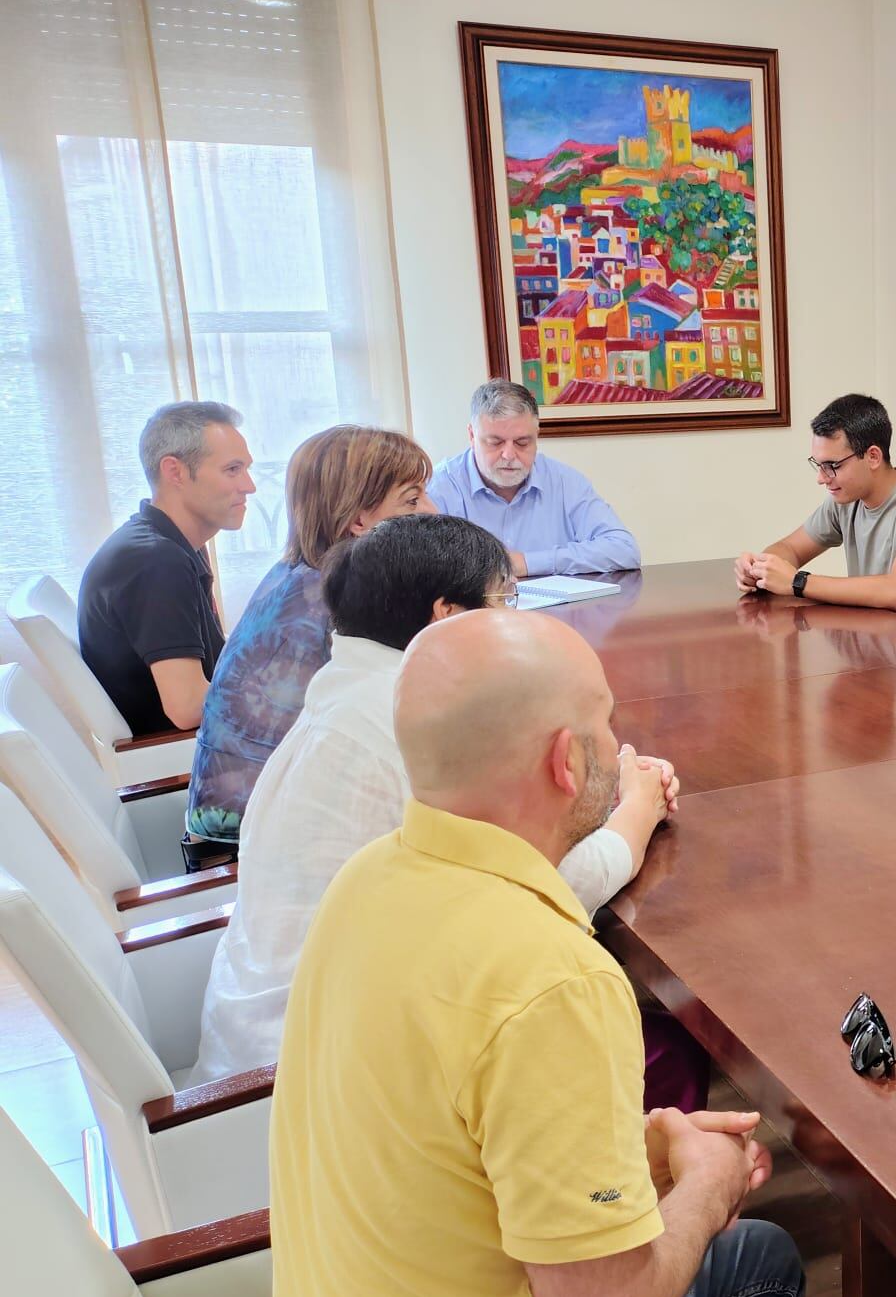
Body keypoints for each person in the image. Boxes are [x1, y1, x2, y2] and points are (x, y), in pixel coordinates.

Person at [269, 606, 896, 1297]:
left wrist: (631, 1147)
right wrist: (706, 1186)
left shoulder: (367, 884)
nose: (619, 743)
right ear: (566, 761)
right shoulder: (550, 976)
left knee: (763, 1267)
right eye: (605, 722)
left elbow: (452, 1135)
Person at [187, 513, 685, 1094]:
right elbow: (545, 891)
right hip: (322, 1073)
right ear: (447, 616)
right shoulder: (415, 727)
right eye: (506, 600)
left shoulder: (348, 695)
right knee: (660, 1047)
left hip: (269, 1039)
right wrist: (636, 813)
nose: (516, 619)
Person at [184, 425, 436, 852]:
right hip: (256, 844)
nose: (432, 511)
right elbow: (404, 714)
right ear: (358, 520)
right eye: (412, 500)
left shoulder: (296, 574)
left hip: (249, 817)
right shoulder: (339, 602)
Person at [76, 400, 255, 734]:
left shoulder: (171, 545)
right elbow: (187, 708)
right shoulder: (156, 562)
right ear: (175, 472)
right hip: (186, 750)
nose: (249, 486)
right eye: (232, 470)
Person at [735, 392, 896, 609]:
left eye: (832, 466)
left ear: (873, 457)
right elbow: (790, 549)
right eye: (818, 465)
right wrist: (760, 569)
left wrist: (798, 582)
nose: (821, 478)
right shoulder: (846, 500)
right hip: (875, 631)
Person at [429, 378, 640, 575]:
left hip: (555, 603)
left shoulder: (564, 482)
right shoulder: (441, 486)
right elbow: (426, 567)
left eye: (522, 443)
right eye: (495, 442)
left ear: (537, 436)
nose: (509, 455)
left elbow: (624, 550)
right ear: (472, 436)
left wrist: (529, 562)